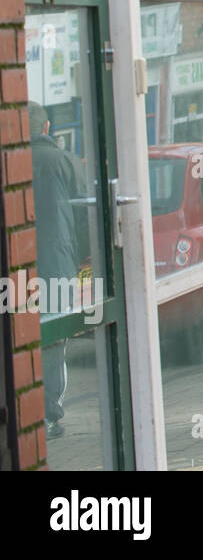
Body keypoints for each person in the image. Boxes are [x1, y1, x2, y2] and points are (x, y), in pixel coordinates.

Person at [29, 103, 87, 440]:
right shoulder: (65, 161)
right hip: (57, 266)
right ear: (48, 127)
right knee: (53, 341)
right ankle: (49, 416)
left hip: (17, 270)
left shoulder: (11, 163)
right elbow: (84, 214)